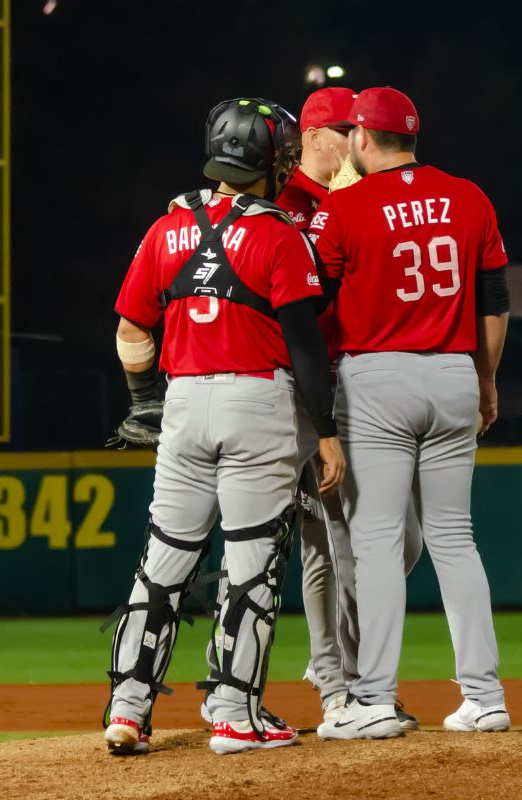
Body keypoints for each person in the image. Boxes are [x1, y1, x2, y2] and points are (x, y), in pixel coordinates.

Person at [102, 97, 345, 757]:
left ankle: (127, 710)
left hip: (182, 406)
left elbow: (131, 330)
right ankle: (234, 714)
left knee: (162, 563)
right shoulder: (278, 235)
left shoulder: (166, 228)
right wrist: (325, 430)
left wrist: (142, 399)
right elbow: (306, 348)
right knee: (250, 568)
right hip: (257, 407)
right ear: (266, 162)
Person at [309, 87, 512, 739]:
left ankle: (372, 699)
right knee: (455, 536)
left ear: (363, 139)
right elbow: (495, 300)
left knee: (375, 539)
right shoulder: (469, 196)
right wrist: (485, 380)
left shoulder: (347, 207)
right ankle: (484, 696)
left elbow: (314, 303)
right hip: (455, 370)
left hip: (378, 376)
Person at [273, 86, 423, 729]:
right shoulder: (280, 206)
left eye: (359, 126)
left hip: (363, 386)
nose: (356, 136)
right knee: (332, 542)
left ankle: (340, 670)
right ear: (310, 136)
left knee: (395, 540)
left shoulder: (361, 201)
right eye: (343, 127)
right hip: (302, 392)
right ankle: (348, 684)